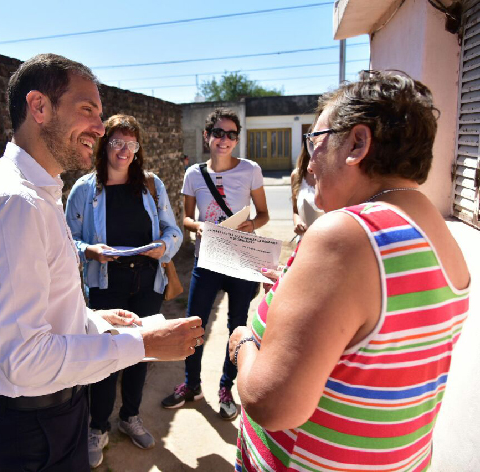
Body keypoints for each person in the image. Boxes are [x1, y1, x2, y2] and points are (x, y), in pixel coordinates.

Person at [0, 54, 205, 472]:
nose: (101, 129)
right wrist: (145, 345)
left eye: (100, 115)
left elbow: (40, 305)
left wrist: (93, 319)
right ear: (40, 107)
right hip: (34, 425)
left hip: (47, 414)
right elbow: (27, 358)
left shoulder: (35, 193)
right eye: (87, 110)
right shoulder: (16, 203)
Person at [229, 70, 470, 471]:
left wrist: (242, 345)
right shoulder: (438, 234)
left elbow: (270, 404)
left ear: (357, 143)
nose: (309, 167)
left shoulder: (349, 234)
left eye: (315, 143)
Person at [65, 114, 183, 468]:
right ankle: (96, 427)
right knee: (105, 359)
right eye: (117, 142)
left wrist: (163, 247)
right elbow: (66, 238)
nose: (124, 150)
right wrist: (90, 251)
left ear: (138, 148)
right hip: (106, 284)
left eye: (131, 144)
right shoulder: (85, 189)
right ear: (106, 145)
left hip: (147, 282)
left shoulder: (151, 185)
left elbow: (171, 230)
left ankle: (130, 416)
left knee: (141, 354)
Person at [161, 108, 270, 421]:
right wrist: (198, 227)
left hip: (241, 261)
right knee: (194, 323)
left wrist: (252, 225)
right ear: (207, 136)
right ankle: (191, 385)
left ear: (237, 139)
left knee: (236, 325)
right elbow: (185, 218)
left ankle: (226, 388)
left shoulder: (251, 170)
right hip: (206, 259)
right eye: (218, 133)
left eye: (231, 134)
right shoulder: (194, 174)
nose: (224, 139)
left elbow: (263, 214)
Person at [290, 145, 323, 241]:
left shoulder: (337, 175)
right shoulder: (297, 175)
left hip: (329, 244)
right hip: (304, 243)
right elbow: (295, 211)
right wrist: (298, 223)